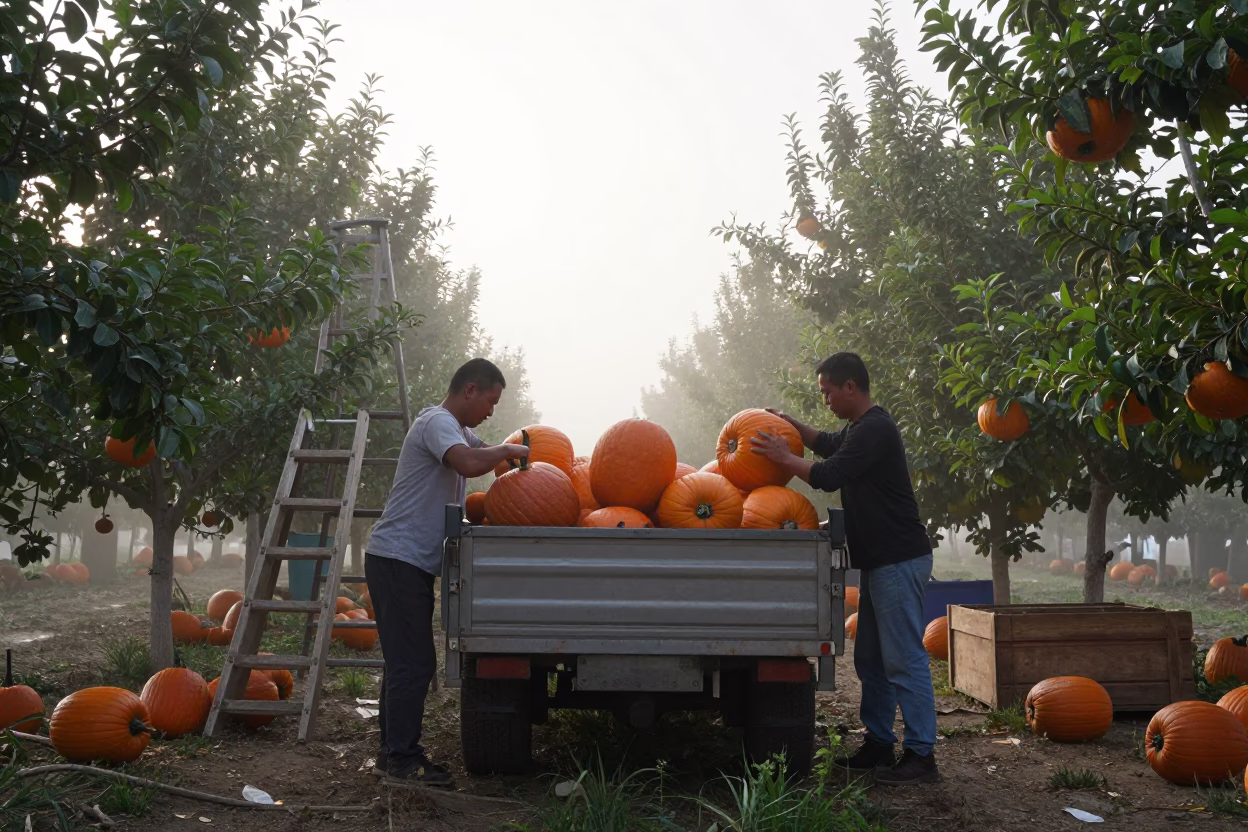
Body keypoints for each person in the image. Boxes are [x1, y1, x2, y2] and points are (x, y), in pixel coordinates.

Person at [750, 352, 939, 786]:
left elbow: (830, 474)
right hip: (880, 562)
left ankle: (921, 755)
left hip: (898, 558)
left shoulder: (877, 429)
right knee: (871, 659)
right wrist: (793, 426)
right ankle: (878, 743)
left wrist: (784, 457)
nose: (826, 400)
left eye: (828, 392)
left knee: (904, 659)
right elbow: (829, 444)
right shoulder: (860, 429)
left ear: (850, 386)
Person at [364, 358, 529, 787]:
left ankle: (391, 753)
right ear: (470, 389)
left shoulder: (457, 430)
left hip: (406, 562)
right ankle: (402, 758)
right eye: (490, 401)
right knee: (414, 664)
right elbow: (470, 464)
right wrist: (510, 452)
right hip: (396, 560)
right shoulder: (436, 422)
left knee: (405, 662)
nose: (491, 411)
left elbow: (479, 450)